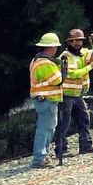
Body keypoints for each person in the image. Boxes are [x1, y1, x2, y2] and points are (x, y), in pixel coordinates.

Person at [56, 29, 93, 156]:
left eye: (80, 40)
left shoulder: (83, 52)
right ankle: (61, 149)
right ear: (69, 42)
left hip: (78, 94)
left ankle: (85, 146)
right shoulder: (65, 56)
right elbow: (73, 73)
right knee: (64, 122)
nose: (77, 43)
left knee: (84, 119)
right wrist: (89, 67)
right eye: (74, 41)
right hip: (66, 95)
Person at [29, 33, 64, 168]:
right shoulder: (45, 63)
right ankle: (39, 157)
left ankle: (43, 155)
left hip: (44, 100)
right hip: (46, 100)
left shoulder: (37, 61)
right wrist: (62, 71)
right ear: (52, 47)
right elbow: (57, 80)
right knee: (45, 129)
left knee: (48, 128)